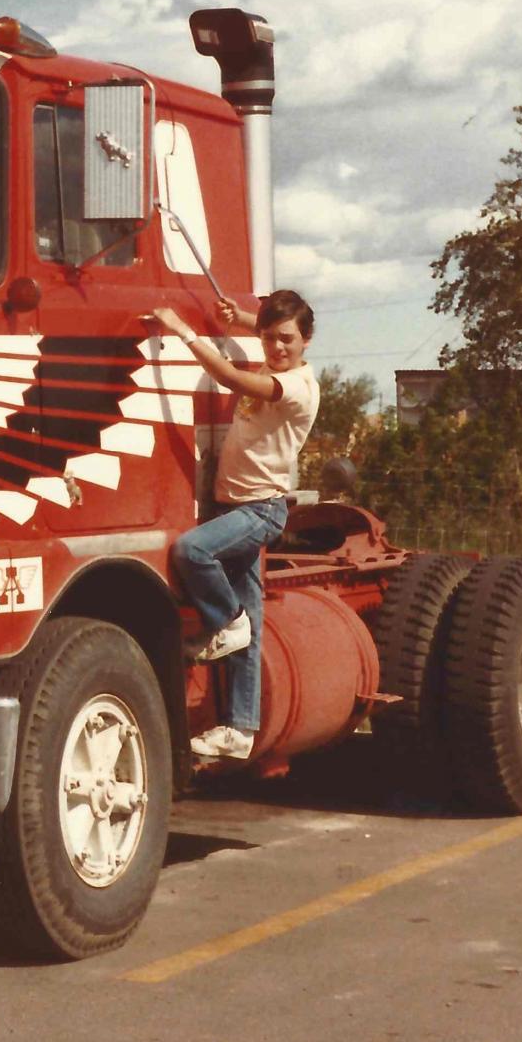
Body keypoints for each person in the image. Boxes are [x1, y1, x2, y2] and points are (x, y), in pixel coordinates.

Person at [150, 289, 320, 761]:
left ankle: (226, 620)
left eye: (286, 339)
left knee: (192, 552)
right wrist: (240, 317)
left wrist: (182, 330)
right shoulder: (276, 359)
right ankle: (241, 730)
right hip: (236, 506)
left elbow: (227, 375)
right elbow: (265, 329)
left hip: (260, 509)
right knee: (251, 629)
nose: (276, 348)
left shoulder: (295, 387)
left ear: (307, 340)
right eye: (268, 339)